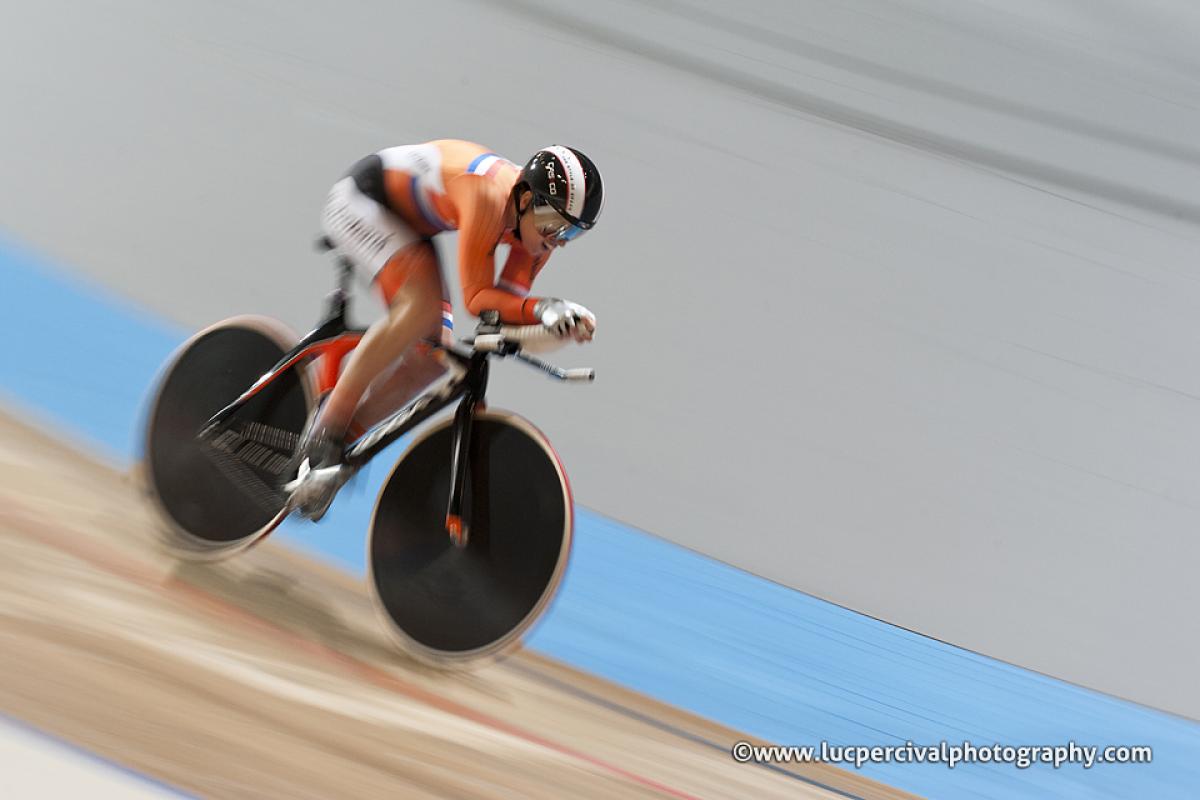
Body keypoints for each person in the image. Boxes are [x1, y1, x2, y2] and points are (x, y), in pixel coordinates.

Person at [285, 140, 604, 520]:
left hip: (407, 225)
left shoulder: (536, 231)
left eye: (570, 234)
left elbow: (505, 308)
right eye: (554, 226)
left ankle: (341, 450)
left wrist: (559, 325)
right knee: (418, 310)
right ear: (523, 198)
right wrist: (544, 309)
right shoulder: (487, 196)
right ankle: (323, 435)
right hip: (363, 200)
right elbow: (479, 299)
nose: (556, 241)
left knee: (433, 359)